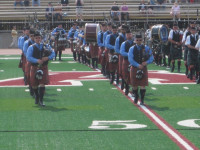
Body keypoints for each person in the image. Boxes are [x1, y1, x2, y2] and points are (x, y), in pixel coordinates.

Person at [27, 31, 55, 106]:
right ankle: (36, 96)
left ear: (41, 38)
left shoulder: (46, 46)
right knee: (34, 85)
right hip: (35, 67)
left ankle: (41, 100)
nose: (38, 39)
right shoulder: (31, 47)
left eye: (39, 38)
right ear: (34, 39)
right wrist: (37, 60)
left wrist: (48, 58)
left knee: (42, 84)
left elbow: (53, 53)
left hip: (43, 67)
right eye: (36, 38)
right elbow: (28, 57)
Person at [128, 34, 154, 105]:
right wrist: (137, 65)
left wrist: (146, 62)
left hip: (143, 67)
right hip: (134, 67)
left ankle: (142, 99)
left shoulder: (146, 48)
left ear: (142, 40)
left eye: (140, 40)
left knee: (143, 85)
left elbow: (152, 58)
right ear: (135, 40)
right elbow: (130, 59)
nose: (138, 41)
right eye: (137, 40)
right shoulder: (132, 49)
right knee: (134, 85)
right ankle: (136, 96)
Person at [120, 29, 134, 95]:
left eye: (130, 34)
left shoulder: (135, 43)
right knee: (125, 75)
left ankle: (133, 89)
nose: (129, 36)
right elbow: (122, 52)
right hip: (126, 60)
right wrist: (130, 54)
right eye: (127, 34)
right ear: (126, 35)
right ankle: (127, 87)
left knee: (133, 75)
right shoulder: (124, 43)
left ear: (132, 35)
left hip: (133, 62)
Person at [23, 29, 35, 97]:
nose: (33, 37)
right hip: (29, 60)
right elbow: (25, 52)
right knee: (29, 75)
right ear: (29, 36)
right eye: (31, 36)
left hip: (36, 61)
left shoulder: (37, 42)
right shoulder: (27, 42)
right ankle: (31, 88)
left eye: (34, 36)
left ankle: (35, 89)